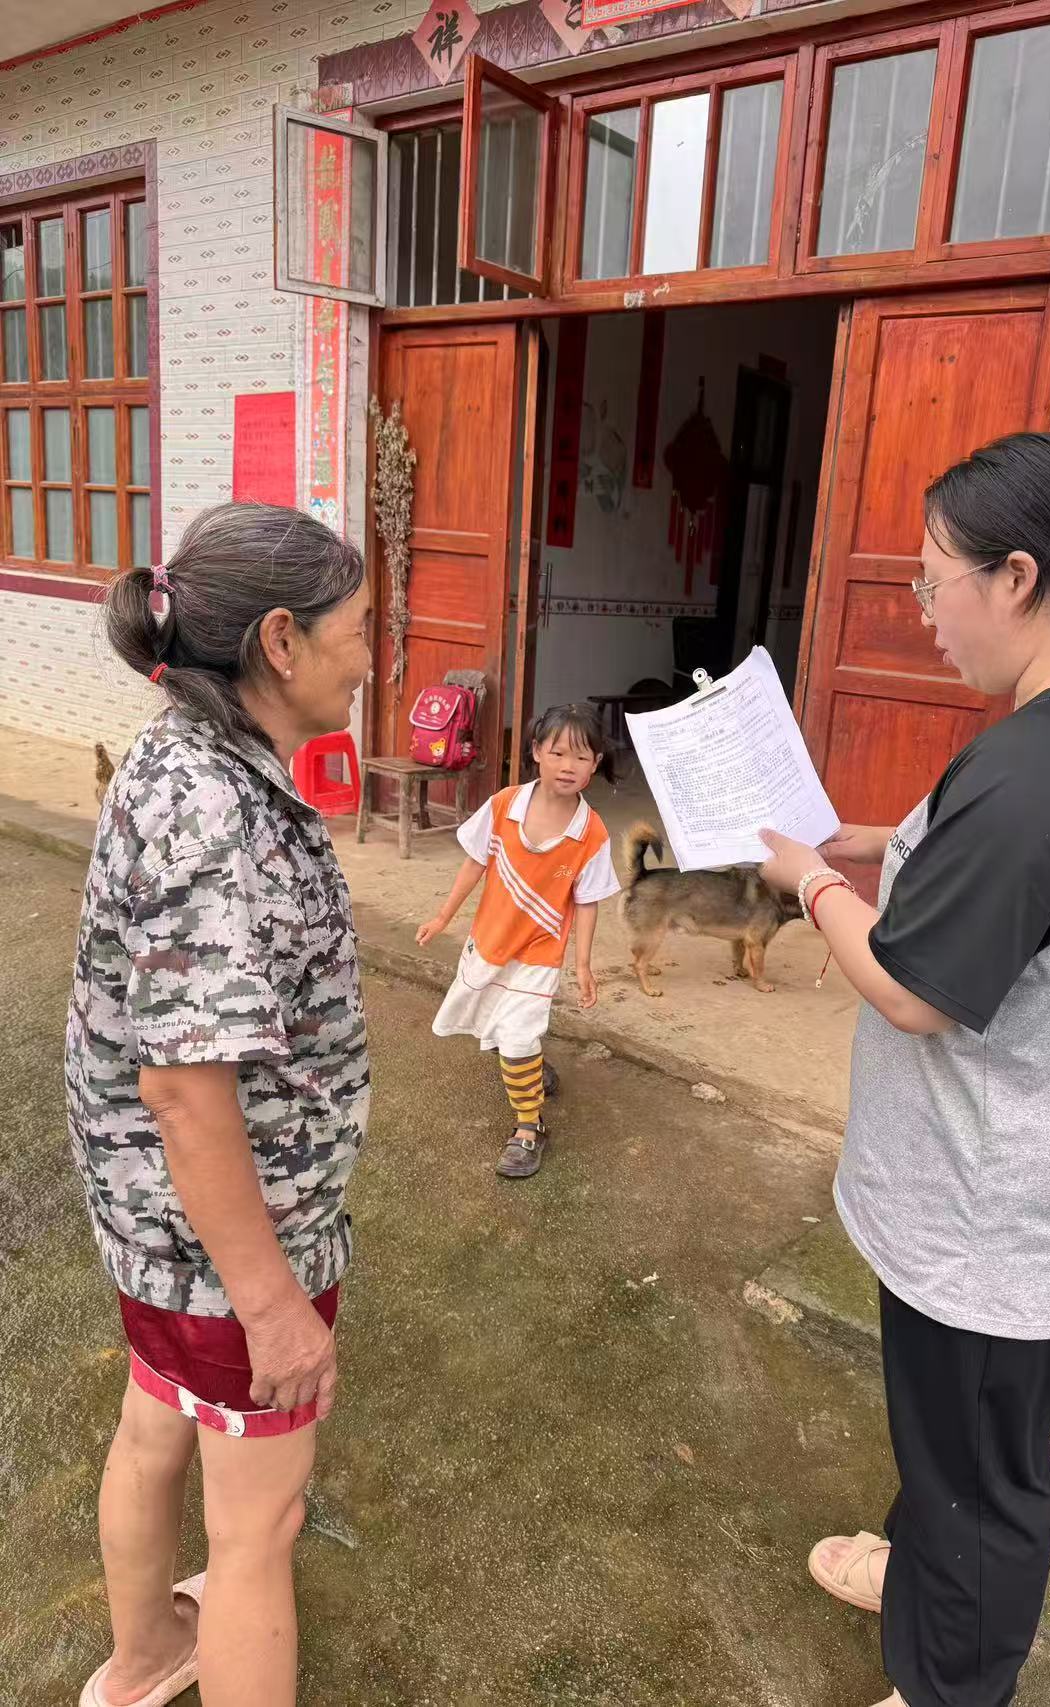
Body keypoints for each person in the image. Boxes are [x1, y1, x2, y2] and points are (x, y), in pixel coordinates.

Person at [758, 433, 1050, 1707]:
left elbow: (912, 993)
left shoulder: (1034, 766)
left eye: (930, 580)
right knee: (953, 1444)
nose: (922, 611)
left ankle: (950, 1682)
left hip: (997, 1214)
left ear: (1014, 578)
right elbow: (1016, 873)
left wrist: (811, 882)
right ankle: (921, 1570)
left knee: (982, 1484)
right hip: (1046, 1178)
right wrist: (872, 839)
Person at [68, 503, 373, 1707]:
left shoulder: (184, 758)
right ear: (282, 642)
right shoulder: (213, 812)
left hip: (162, 1233)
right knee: (259, 1529)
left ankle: (146, 1659)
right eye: (362, 629)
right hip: (226, 1244)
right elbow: (188, 1092)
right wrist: (275, 1307)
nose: (374, 658)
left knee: (155, 1425)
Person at [418, 704, 621, 1178]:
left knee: (514, 1036)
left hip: (539, 955)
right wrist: (443, 916)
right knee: (495, 1024)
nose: (568, 766)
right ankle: (530, 1066)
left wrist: (583, 966)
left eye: (582, 757)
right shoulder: (503, 805)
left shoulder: (592, 833)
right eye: (558, 753)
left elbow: (587, 902)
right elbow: (475, 861)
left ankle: (529, 1127)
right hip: (490, 943)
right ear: (536, 752)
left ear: (595, 764)